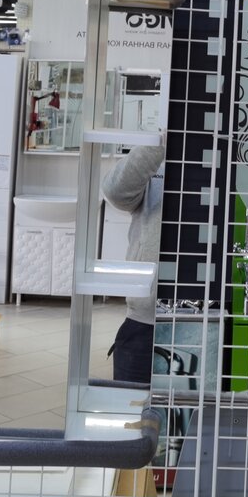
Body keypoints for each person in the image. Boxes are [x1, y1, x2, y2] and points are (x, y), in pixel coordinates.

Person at [101, 144, 165, 383]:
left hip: (215, 316)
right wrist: (160, 144)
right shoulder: (157, 150)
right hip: (145, 318)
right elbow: (116, 193)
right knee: (131, 404)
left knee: (197, 408)